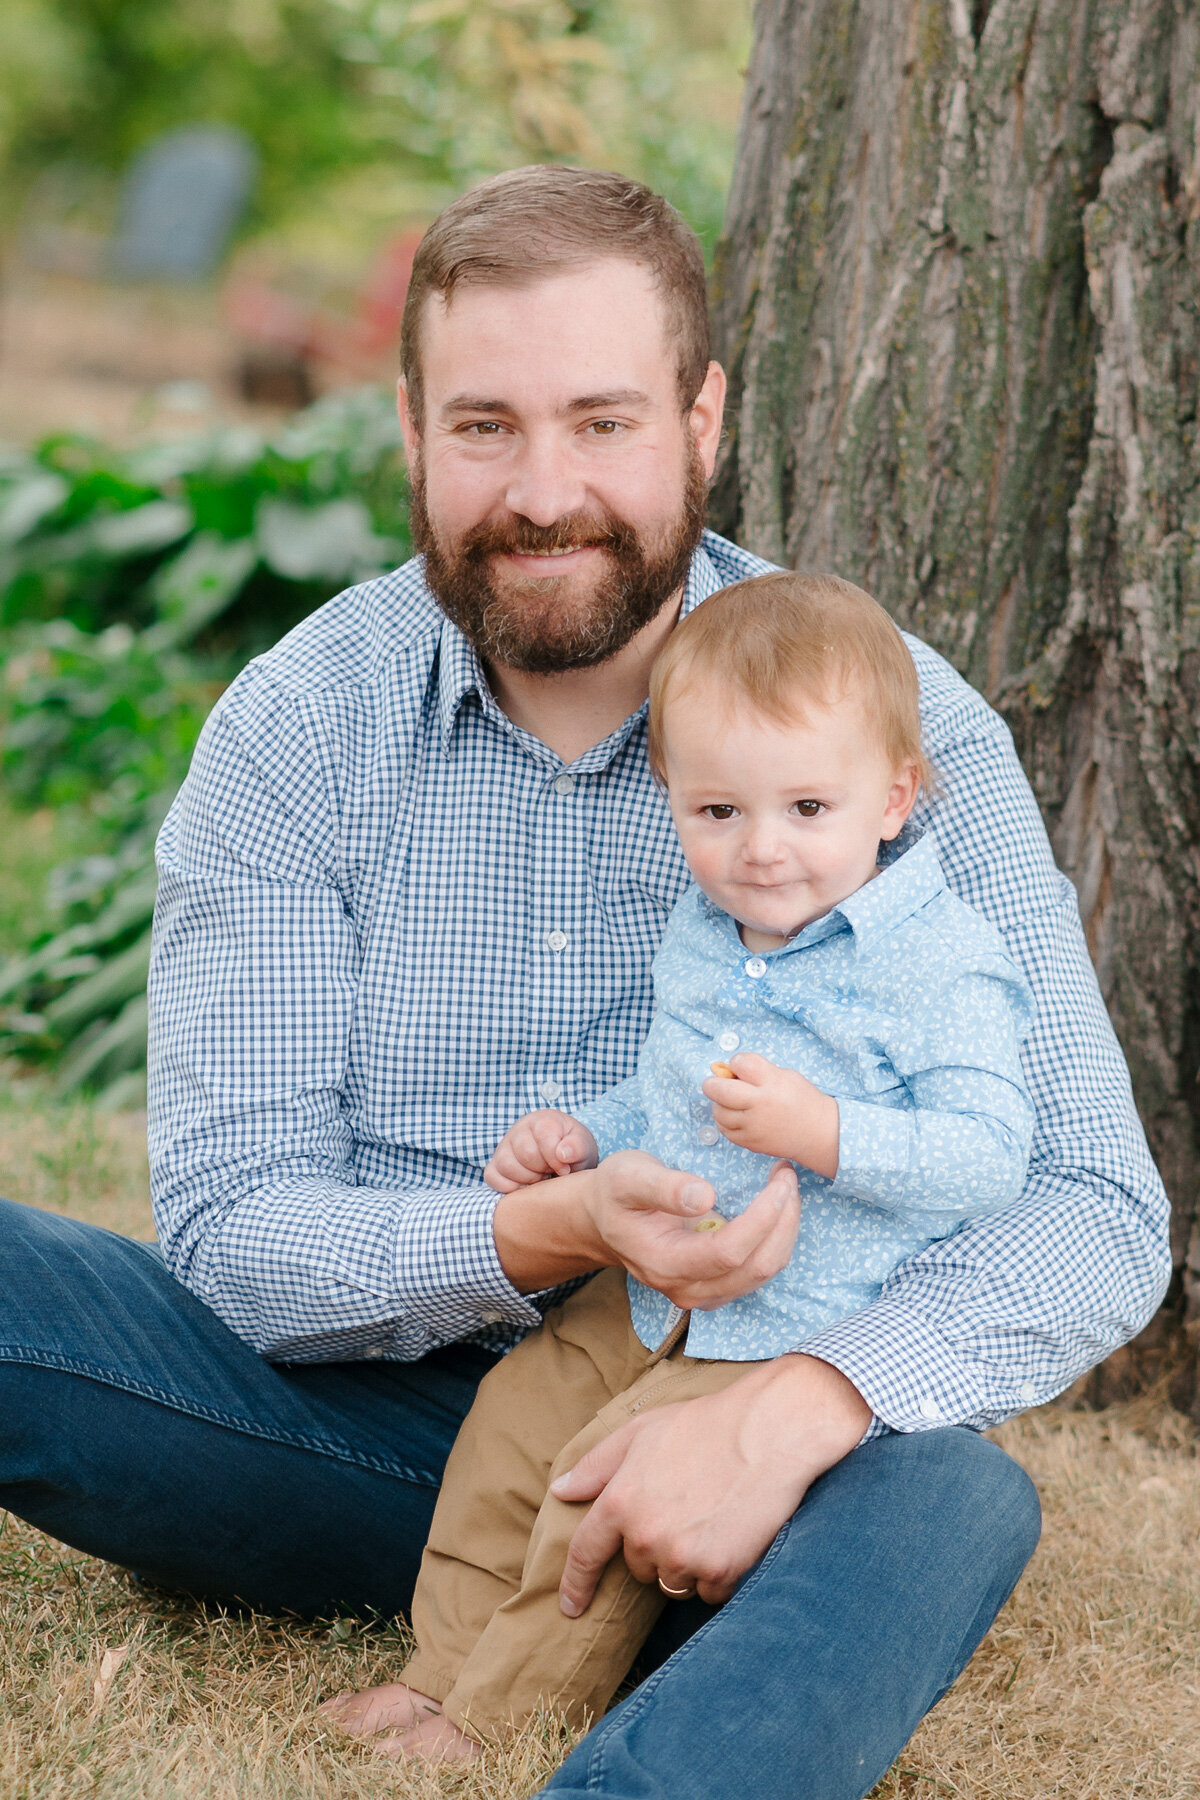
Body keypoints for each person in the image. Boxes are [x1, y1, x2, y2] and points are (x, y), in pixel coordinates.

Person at [0, 166, 1169, 1800]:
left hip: (740, 1456)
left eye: (603, 421)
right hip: (363, 1436)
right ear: (410, 430)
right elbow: (236, 1222)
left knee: (951, 1501)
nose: (545, 490)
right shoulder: (294, 729)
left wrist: (795, 1410)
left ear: (702, 420)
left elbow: (1096, 1209)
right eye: (486, 426)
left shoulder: (898, 741)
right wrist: (542, 1229)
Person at [384, 570, 1037, 1762]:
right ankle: (437, 1673)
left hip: (789, 1323)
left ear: (893, 798)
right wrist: (584, 1132)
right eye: (719, 813)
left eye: (805, 808)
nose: (761, 852)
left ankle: (495, 1723)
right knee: (511, 1428)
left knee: (601, 1485)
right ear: (671, 795)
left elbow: (991, 1155)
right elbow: (672, 1090)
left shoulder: (944, 966)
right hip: (641, 1290)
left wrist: (826, 1130)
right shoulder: (706, 929)